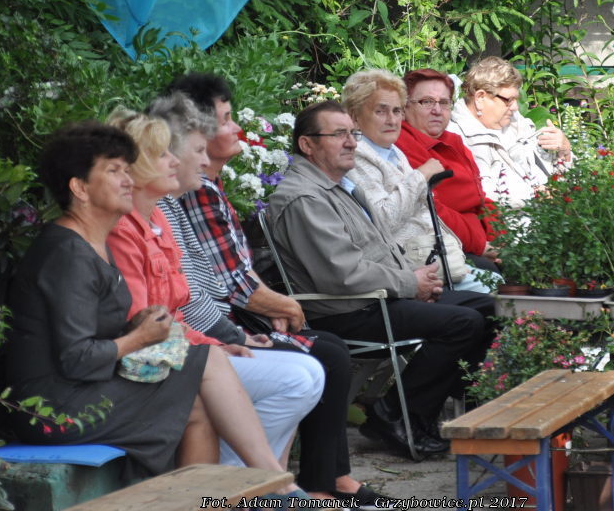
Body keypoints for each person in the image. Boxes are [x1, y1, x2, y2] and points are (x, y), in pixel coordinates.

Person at [3, 122, 309, 497]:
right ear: (80, 188)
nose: (127, 179)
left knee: (198, 390)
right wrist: (139, 337)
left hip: (79, 390)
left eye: (127, 168)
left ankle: (250, 490)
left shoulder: (93, 242)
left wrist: (138, 325)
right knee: (203, 368)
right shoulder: (68, 254)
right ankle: (273, 485)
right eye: (114, 171)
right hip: (52, 409)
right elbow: (77, 358)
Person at [155, 78, 387, 505]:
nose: (238, 128)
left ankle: (283, 484)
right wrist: (260, 321)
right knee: (320, 356)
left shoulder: (185, 198)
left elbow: (223, 279)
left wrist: (268, 312)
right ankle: (293, 485)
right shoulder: (190, 195)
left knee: (317, 356)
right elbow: (221, 288)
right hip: (200, 340)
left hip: (211, 333)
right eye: (226, 120)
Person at [266, 100, 497, 459]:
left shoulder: (340, 186)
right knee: (462, 323)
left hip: (379, 297)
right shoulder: (304, 198)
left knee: (492, 309)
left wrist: (414, 280)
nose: (351, 143)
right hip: (347, 309)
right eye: (338, 134)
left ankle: (417, 411)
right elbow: (342, 275)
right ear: (307, 144)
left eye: (352, 134)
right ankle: (396, 416)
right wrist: (410, 283)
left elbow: (377, 252)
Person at [104, 108, 322, 474]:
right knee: (296, 378)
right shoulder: (123, 228)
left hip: (181, 349)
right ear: (138, 166)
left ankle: (255, 482)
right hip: (149, 364)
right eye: (164, 154)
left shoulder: (159, 216)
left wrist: (216, 343)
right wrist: (215, 344)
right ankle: (248, 481)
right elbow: (144, 324)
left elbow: (181, 304)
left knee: (310, 370)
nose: (175, 161)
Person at [341, 69, 494, 293]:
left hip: (434, 256)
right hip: (404, 268)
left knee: (502, 286)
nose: (392, 120)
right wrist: (421, 176)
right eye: (380, 111)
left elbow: (475, 200)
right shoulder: (356, 156)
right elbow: (382, 219)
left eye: (396, 111)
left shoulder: (391, 151)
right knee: (498, 294)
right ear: (355, 117)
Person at [395, 68, 499, 269]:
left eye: (444, 102)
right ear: (405, 106)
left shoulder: (454, 142)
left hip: (480, 245)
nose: (437, 110)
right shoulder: (403, 145)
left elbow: (481, 200)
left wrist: (501, 240)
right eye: (426, 102)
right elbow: (432, 209)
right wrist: (481, 246)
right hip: (443, 248)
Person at [446, 57, 572, 209]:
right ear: (480, 98)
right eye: (509, 100)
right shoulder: (455, 138)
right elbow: (479, 196)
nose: (515, 107)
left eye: (516, 99)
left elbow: (567, 177)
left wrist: (565, 151)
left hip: (551, 215)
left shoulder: (516, 123)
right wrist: (535, 196)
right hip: (510, 221)